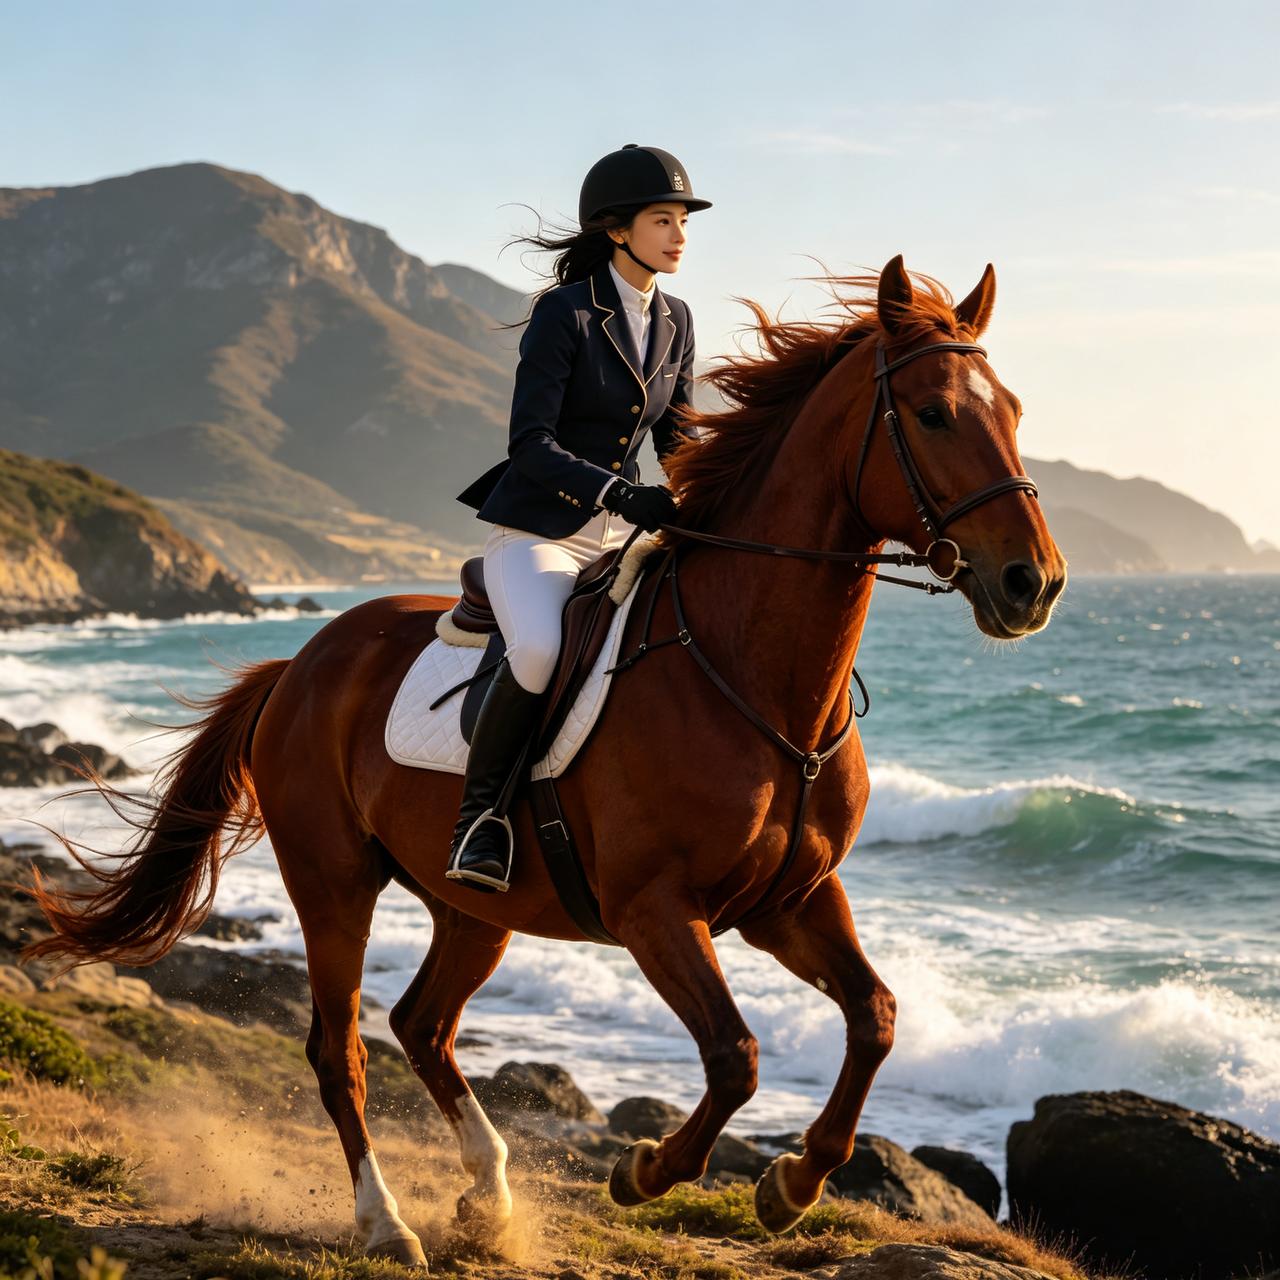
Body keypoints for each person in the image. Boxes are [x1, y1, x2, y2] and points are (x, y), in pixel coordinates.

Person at [445, 143, 713, 892]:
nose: (680, 234)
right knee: (537, 649)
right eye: (664, 220)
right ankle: (480, 822)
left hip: (620, 538)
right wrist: (622, 494)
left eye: (684, 221)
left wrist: (708, 494)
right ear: (617, 229)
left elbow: (677, 439)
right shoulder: (564, 314)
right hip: (538, 533)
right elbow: (529, 444)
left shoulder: (678, 318)